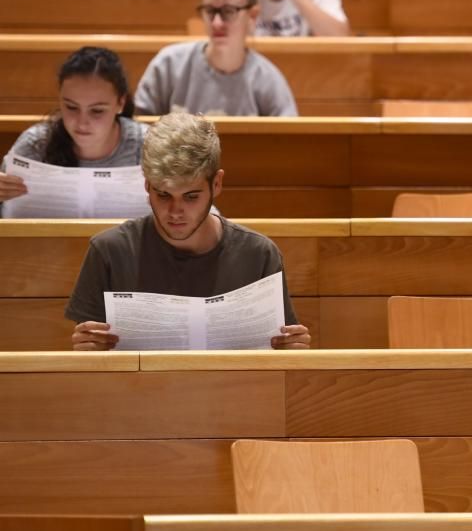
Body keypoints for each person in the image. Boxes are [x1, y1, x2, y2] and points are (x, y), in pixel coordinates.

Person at [66, 112, 310, 351]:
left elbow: (283, 359)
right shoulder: (109, 251)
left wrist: (295, 350)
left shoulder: (259, 254)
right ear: (147, 184)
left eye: (191, 197)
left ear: (217, 184)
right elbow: (90, 360)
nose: (175, 211)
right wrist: (87, 348)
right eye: (163, 195)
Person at [134, 0, 298, 117]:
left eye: (229, 11)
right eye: (210, 11)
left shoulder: (267, 79)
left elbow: (290, 142)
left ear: (252, 16)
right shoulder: (168, 64)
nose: (217, 23)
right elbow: (138, 129)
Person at [0, 47, 146, 209]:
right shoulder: (36, 143)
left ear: (120, 103)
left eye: (97, 111)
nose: (82, 123)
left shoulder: (147, 145)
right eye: (71, 107)